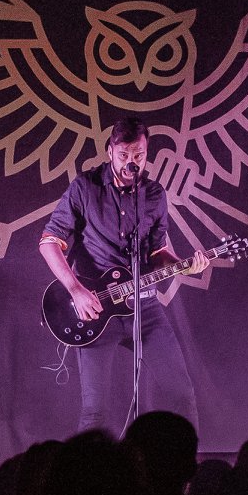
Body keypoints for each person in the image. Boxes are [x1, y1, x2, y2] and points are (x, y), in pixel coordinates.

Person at [38, 117, 203, 435]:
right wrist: (75, 289)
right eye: (124, 154)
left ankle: (184, 465)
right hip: (97, 311)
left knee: (182, 395)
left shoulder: (154, 195)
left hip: (145, 308)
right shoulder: (85, 188)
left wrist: (185, 264)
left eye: (138, 155)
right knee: (95, 411)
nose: (131, 162)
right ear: (110, 152)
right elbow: (49, 243)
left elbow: (157, 253)